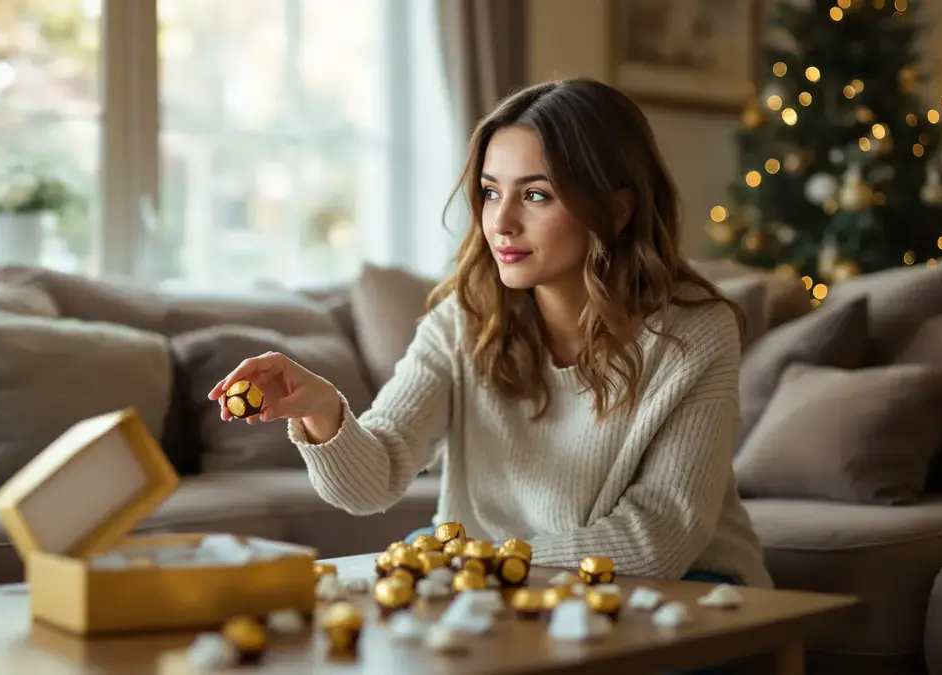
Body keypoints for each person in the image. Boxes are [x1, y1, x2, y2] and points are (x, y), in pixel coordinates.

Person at [207, 77, 773, 590]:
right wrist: (325, 412)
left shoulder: (695, 332)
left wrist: (477, 563)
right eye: (490, 191)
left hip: (686, 586)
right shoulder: (464, 318)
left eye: (535, 194)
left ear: (616, 208)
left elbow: (659, 539)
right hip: (495, 578)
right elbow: (374, 480)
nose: (499, 222)